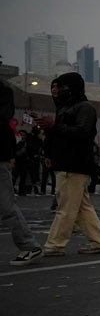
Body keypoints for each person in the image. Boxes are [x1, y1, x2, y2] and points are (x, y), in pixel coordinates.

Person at [36, 72, 100, 256]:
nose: (58, 91)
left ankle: (55, 245)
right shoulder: (64, 108)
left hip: (74, 164)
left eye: (62, 87)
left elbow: (82, 133)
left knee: (66, 208)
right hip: (65, 163)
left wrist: (54, 126)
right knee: (81, 207)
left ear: (72, 88)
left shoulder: (84, 108)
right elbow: (57, 135)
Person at [1, 75, 43, 265]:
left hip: (1, 157)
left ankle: (29, 246)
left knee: (6, 205)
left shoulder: (3, 91)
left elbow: (3, 121)